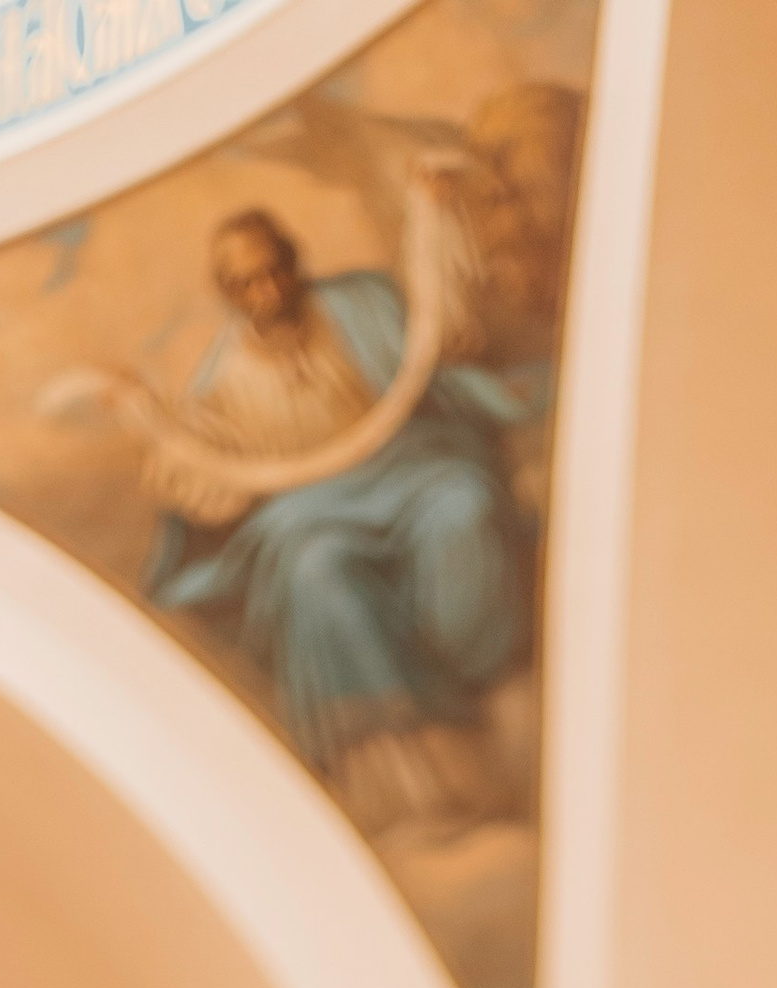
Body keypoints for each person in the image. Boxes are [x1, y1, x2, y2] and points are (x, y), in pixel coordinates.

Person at [139, 206, 546, 833]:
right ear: (229, 294)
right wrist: (184, 479)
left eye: (275, 272)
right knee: (313, 571)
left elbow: (435, 352)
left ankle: (487, 677)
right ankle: (415, 778)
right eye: (248, 284)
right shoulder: (220, 383)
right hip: (310, 509)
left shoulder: (364, 303)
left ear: (295, 264)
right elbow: (205, 473)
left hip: (409, 466)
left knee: (464, 502)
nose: (268, 291)